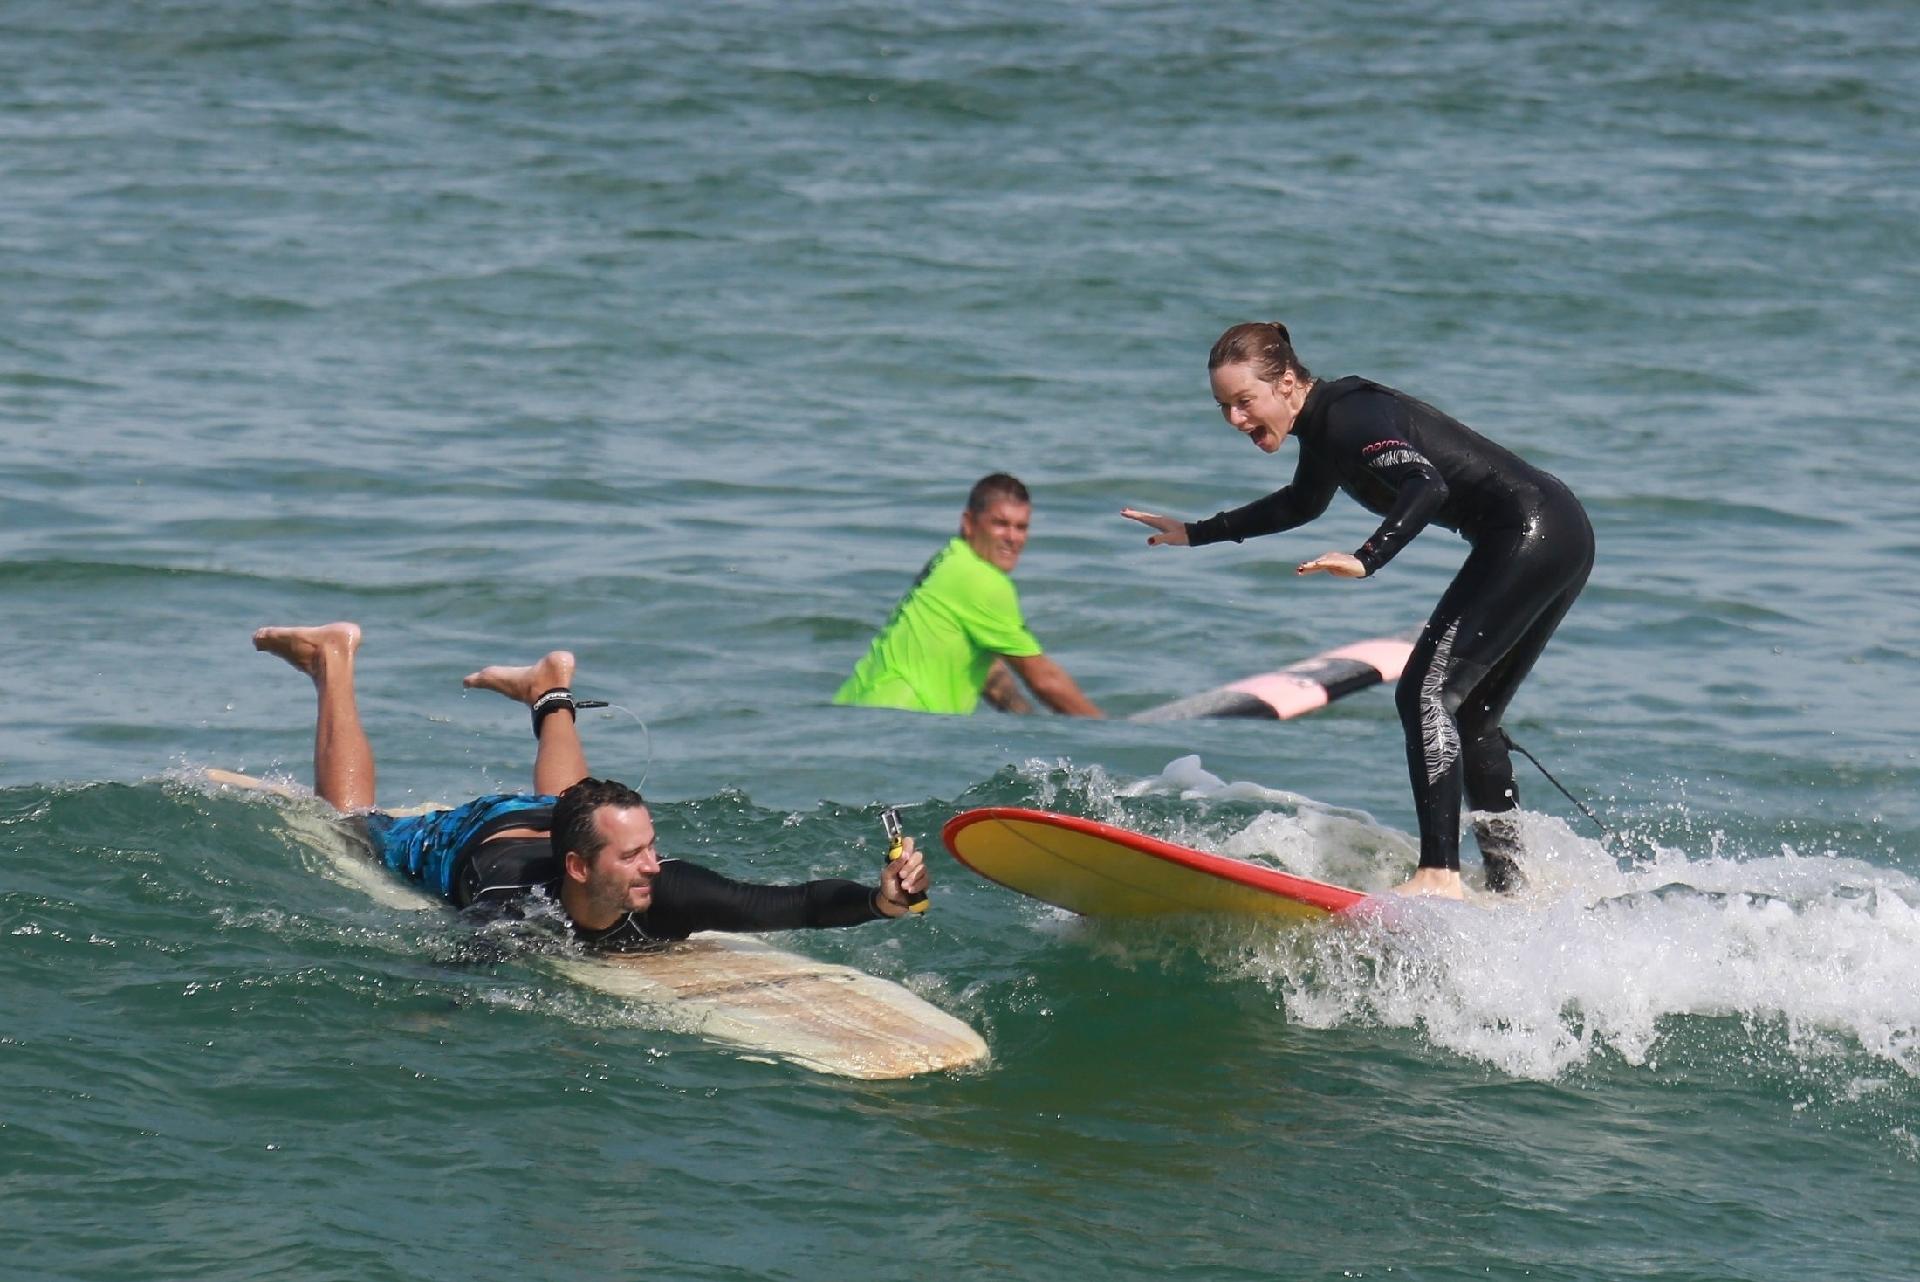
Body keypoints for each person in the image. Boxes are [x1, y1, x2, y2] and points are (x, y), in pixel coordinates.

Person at [1122, 322, 1594, 899]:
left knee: (1423, 692)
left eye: (1244, 402)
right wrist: (1197, 533)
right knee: (1469, 716)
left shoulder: (1350, 419)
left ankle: (1439, 875)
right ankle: (1511, 884)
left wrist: (1368, 558)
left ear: (1288, 383)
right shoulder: (1325, 427)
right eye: (1224, 407)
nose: (1235, 421)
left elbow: (1426, 485)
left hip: (1531, 533)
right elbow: (1301, 503)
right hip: (1557, 530)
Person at [253, 622, 930, 950]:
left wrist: (883, 900)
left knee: (570, 805)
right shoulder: (511, 909)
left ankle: (549, 689)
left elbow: (797, 904)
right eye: (634, 857)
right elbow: (456, 981)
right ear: (577, 869)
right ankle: (331, 660)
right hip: (466, 840)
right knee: (348, 823)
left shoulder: (665, 885)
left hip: (551, 817)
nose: (653, 865)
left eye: (651, 847)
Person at [834, 473, 1103, 716]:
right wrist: (1105, 730)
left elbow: (990, 674)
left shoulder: (949, 561)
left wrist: (1028, 720)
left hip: (855, 713)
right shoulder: (982, 581)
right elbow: (1044, 680)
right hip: (900, 722)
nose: (1012, 537)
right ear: (969, 524)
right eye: (1000, 524)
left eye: (1021, 527)